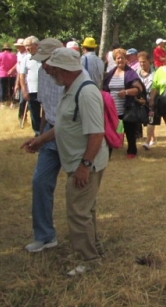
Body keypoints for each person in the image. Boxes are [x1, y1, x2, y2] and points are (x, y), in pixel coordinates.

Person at [24, 48, 109, 276]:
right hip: (77, 160)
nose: (49, 72)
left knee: (77, 212)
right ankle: (94, 250)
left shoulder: (86, 92)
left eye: (53, 69)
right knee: (84, 209)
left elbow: (96, 134)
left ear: (65, 70)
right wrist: (41, 140)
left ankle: (88, 260)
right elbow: (64, 124)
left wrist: (85, 166)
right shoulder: (71, 88)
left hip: (84, 162)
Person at [20, 38, 64, 253]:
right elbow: (46, 108)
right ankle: (45, 236)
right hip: (49, 134)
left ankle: (86, 240)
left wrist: (41, 139)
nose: (43, 65)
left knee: (78, 191)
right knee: (40, 182)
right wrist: (41, 133)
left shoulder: (73, 77)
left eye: (46, 60)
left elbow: (70, 121)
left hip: (71, 137)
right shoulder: (41, 73)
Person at [103, 48, 146, 159]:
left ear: (126, 59)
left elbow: (139, 89)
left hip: (127, 108)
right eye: (118, 58)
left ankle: (132, 151)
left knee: (129, 130)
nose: (120, 60)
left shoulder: (130, 73)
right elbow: (105, 89)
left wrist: (126, 92)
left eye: (122, 58)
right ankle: (108, 152)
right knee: (112, 130)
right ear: (115, 60)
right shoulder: (111, 73)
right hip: (112, 109)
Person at [19, 36, 42, 136]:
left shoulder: (44, 57)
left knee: (48, 113)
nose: (27, 48)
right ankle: (37, 133)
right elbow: (21, 76)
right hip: (32, 90)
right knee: (34, 114)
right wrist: (24, 90)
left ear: (36, 45)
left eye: (29, 45)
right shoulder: (25, 59)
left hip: (44, 90)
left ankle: (46, 132)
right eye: (26, 46)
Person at [137, 52, 157, 149]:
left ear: (149, 61)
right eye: (140, 62)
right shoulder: (136, 73)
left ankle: (147, 141)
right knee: (145, 121)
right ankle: (153, 137)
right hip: (140, 101)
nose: (142, 64)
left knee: (150, 120)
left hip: (152, 101)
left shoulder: (156, 72)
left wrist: (152, 98)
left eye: (144, 62)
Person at [0, 43, 18, 107]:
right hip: (12, 74)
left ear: (3, 49)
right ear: (10, 49)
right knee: (12, 89)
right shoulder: (14, 55)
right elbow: (17, 65)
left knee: (2, 89)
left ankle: (3, 103)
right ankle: (12, 103)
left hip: (2, 74)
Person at [13, 38, 28, 124]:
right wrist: (17, 83)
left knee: (25, 101)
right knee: (21, 101)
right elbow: (19, 70)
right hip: (21, 79)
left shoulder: (27, 55)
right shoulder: (19, 54)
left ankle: (23, 118)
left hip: (27, 80)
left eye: (19, 46)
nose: (18, 48)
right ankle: (22, 118)